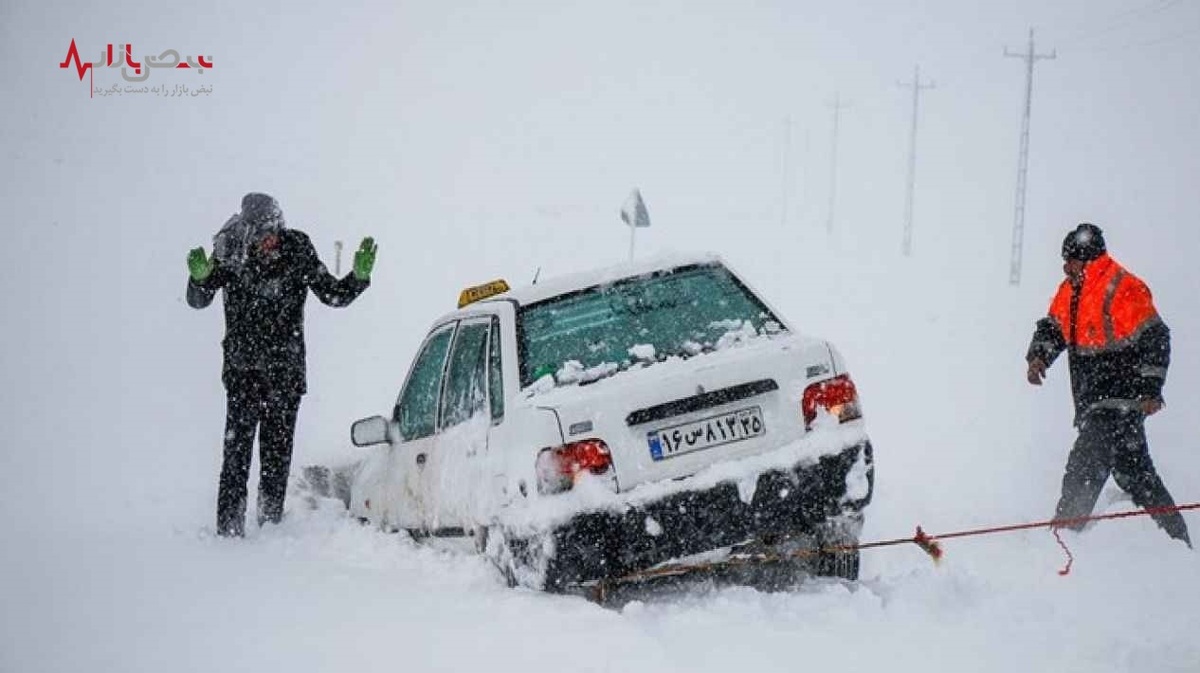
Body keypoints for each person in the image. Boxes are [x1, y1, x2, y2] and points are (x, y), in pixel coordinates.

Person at [186, 193, 376, 537]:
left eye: (274, 230)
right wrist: (199, 278)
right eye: (262, 233)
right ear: (248, 231)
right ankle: (228, 531)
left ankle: (270, 525)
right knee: (236, 458)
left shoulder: (298, 249)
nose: (270, 239)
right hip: (243, 373)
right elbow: (199, 300)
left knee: (276, 458)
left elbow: (332, 294)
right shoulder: (230, 252)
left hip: (285, 375)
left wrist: (357, 278)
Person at [1025, 222, 1190, 547]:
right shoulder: (1071, 291)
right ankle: (1178, 541)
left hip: (1119, 402)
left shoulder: (1121, 287)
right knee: (1135, 473)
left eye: (1069, 260)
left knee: (1085, 466)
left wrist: (1151, 388)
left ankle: (1061, 543)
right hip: (1096, 403)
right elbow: (1055, 328)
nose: (1064, 267)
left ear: (1086, 260)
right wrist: (1038, 357)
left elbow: (1156, 337)